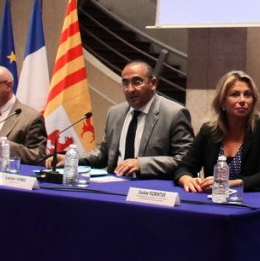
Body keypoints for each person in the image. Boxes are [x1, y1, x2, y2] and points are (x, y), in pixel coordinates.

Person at [52, 61, 193, 178]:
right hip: (115, 184)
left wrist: (142, 164)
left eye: (137, 82)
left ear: (153, 83)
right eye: (125, 83)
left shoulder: (174, 113)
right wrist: (73, 159)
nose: (130, 89)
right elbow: (104, 154)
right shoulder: (115, 112)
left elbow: (186, 160)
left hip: (152, 189)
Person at [175, 70, 260, 193]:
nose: (242, 100)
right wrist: (186, 178)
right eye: (235, 94)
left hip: (251, 201)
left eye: (247, 94)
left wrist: (229, 184)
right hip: (215, 201)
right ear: (222, 101)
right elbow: (185, 166)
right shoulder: (209, 130)